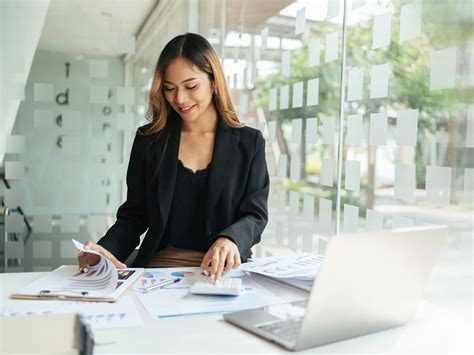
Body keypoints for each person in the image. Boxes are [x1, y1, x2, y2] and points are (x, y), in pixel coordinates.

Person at [78, 33, 269, 282]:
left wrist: (231, 238)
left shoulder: (248, 142)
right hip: (158, 272)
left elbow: (255, 215)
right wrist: (104, 252)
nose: (179, 99)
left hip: (223, 274)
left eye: (191, 87)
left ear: (213, 82)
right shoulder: (150, 140)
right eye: (170, 88)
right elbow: (134, 216)